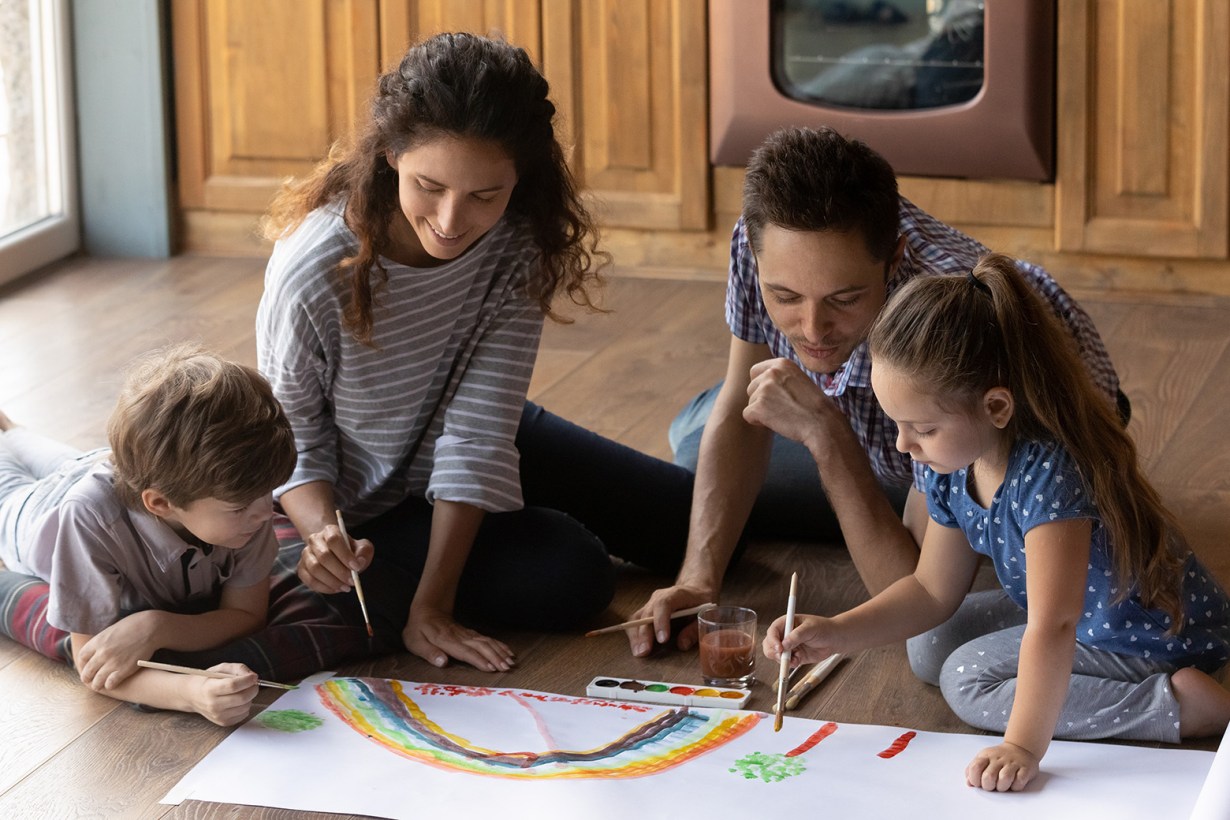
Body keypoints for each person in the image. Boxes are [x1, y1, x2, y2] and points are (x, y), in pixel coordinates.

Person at [257, 32, 694, 674]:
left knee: (694, 524)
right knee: (575, 577)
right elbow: (293, 434)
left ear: (521, 177)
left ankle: (736, 427)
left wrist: (431, 604)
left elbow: (480, 428)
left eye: (485, 195)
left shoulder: (520, 234)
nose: (452, 220)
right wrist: (325, 532)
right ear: (388, 155)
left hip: (471, 431)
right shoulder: (315, 267)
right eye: (428, 185)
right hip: (368, 494)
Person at [625, 125, 1122, 658]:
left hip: (961, 435)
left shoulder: (952, 317)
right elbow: (743, 397)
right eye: (785, 296)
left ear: (894, 258)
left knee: (712, 453)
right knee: (703, 442)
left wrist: (824, 431)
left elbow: (911, 588)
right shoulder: (759, 241)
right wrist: (700, 580)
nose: (812, 329)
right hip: (896, 429)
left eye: (844, 298)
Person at [764, 253, 1230, 792]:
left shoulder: (1049, 477)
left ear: (997, 407)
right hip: (1078, 608)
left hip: (1145, 633)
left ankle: (1178, 705)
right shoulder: (950, 463)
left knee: (966, 681)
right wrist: (836, 633)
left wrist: (1022, 745)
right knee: (932, 643)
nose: (903, 444)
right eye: (896, 424)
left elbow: (1054, 625)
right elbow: (930, 589)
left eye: (922, 427)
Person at [0, 344, 369, 726]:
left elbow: (246, 614)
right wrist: (191, 693)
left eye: (268, 493)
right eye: (240, 507)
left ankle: (11, 428)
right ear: (162, 504)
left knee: (18, 437)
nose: (265, 513)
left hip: (91, 463)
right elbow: (92, 661)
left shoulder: (247, 504)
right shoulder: (87, 519)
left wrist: (156, 626)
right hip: (31, 512)